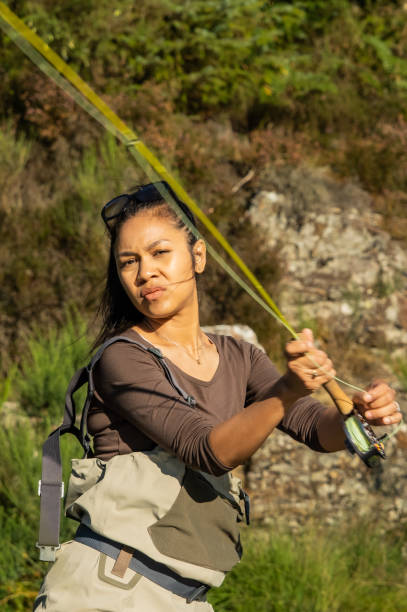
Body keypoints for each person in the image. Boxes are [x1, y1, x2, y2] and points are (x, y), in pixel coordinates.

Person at [34, 181, 402, 611]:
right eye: (128, 262)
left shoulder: (239, 356)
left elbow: (315, 428)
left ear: (198, 255)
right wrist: (288, 388)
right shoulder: (122, 359)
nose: (144, 273)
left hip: (188, 599)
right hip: (106, 589)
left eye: (159, 253)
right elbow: (206, 450)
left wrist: (360, 418)